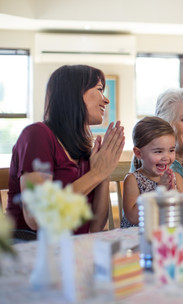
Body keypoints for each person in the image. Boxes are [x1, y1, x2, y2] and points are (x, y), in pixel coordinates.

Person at [7, 65, 125, 238]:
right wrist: (96, 174)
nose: (106, 100)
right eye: (100, 89)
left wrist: (104, 171)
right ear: (75, 93)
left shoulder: (84, 149)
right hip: (31, 247)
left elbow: (96, 226)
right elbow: (36, 218)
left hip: (73, 248)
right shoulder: (37, 135)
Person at [121, 117, 183, 228]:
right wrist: (159, 191)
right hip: (139, 238)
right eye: (158, 151)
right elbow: (133, 217)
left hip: (167, 236)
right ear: (138, 153)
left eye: (171, 150)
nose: (166, 157)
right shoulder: (133, 180)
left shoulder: (176, 178)